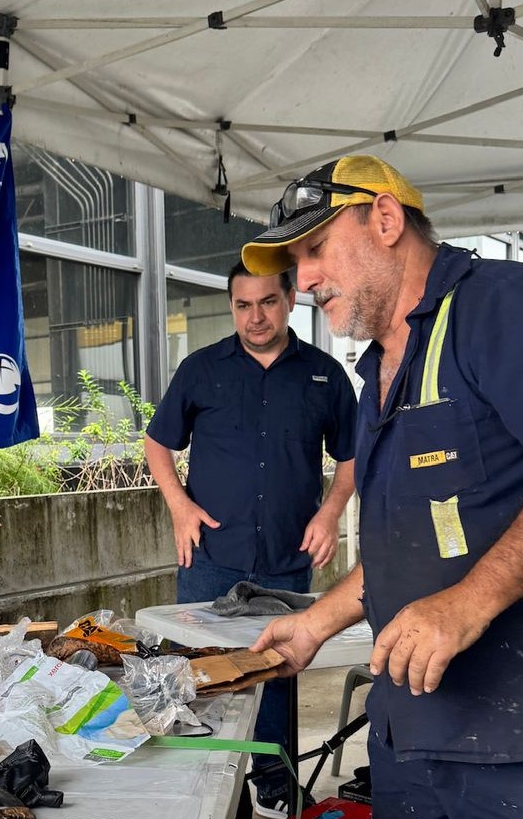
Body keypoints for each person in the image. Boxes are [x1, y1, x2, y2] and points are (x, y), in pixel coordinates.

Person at [242, 155, 523, 818]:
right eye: (296, 264)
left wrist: (468, 601)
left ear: (385, 218)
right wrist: (314, 626)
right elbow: (409, 542)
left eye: (317, 249)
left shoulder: (505, 303)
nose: (306, 281)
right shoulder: (380, 371)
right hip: (418, 742)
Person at [145, 261, 357, 817]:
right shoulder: (201, 370)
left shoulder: (325, 375)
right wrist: (179, 506)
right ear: (231, 306)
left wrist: (331, 510)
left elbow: (353, 455)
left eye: (267, 302)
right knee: (203, 672)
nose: (255, 316)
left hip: (287, 561)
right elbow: (157, 443)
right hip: (212, 556)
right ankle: (210, 784)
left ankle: (276, 781)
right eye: (243, 305)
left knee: (278, 674)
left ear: (290, 299)